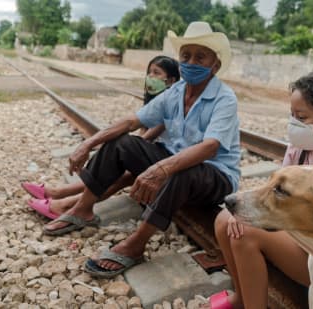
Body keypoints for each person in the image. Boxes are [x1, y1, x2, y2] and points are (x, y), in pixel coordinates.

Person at [42, 21, 241, 278]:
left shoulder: (225, 98)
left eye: (200, 56)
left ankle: (135, 245)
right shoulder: (176, 91)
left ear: (215, 65)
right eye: (185, 56)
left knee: (181, 170)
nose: (191, 62)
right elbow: (131, 122)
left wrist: (160, 168)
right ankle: (83, 208)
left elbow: (210, 147)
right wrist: (88, 144)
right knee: (121, 143)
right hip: (176, 161)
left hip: (216, 175)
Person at [206, 69, 313, 309]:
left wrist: (256, 219)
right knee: (224, 220)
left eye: (302, 117)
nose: (293, 124)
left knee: (245, 234)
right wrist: (248, 210)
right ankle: (241, 297)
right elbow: (277, 193)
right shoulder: (301, 149)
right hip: (301, 241)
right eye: (292, 115)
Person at [22, 55, 180, 219]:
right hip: (157, 157)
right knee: (117, 160)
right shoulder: (157, 101)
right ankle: (62, 195)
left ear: (171, 80)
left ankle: (66, 200)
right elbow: (139, 132)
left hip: (168, 164)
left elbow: (145, 138)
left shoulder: (173, 102)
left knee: (123, 168)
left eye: (157, 73)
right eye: (149, 72)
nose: (151, 77)